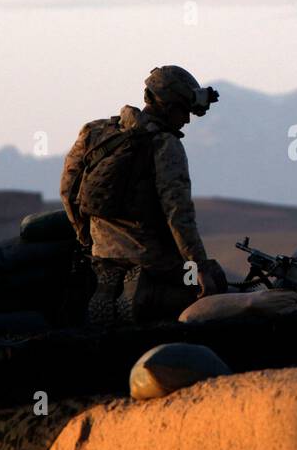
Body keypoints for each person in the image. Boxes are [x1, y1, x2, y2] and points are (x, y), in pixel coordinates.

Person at [61, 65, 227, 327]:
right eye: (183, 111)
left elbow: (68, 190)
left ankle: (109, 288)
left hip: (102, 253)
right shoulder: (165, 144)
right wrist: (200, 267)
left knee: (103, 280)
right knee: (214, 281)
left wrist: (85, 238)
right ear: (168, 106)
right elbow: (178, 212)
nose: (186, 120)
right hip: (152, 258)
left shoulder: (95, 131)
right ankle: (145, 292)